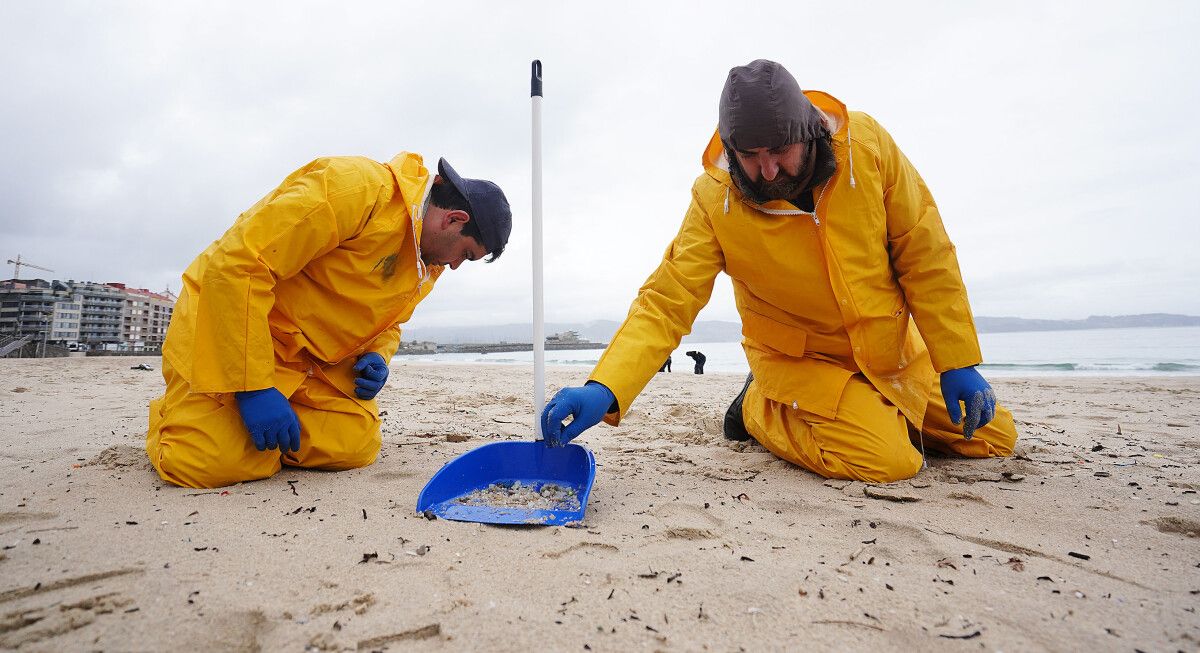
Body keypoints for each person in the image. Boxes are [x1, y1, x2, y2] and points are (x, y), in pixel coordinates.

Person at [541, 60, 1017, 483]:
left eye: (779, 151)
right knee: (891, 461)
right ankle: (756, 410)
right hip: (799, 361)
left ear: (808, 130)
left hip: (888, 352)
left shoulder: (867, 148)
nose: (767, 171)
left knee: (992, 435)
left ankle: (878, 407)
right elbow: (669, 298)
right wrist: (604, 387)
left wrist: (956, 360)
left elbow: (924, 251)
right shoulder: (714, 200)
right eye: (750, 156)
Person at [147, 153, 511, 488]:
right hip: (232, 330)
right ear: (454, 219)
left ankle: (253, 430)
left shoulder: (427, 264)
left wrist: (379, 356)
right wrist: (252, 387)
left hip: (306, 362)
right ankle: (184, 415)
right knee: (206, 463)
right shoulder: (357, 188)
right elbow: (239, 266)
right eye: (466, 254)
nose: (455, 266)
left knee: (353, 445)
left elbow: (390, 322)